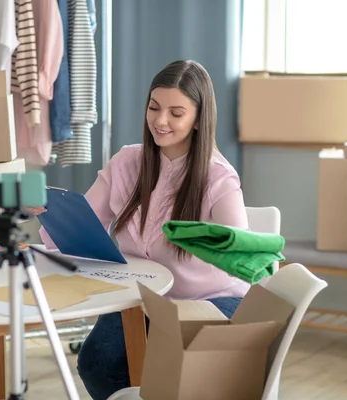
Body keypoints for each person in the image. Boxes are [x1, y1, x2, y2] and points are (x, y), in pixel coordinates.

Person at [30, 60, 250, 400]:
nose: (160, 121)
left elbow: (240, 255)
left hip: (210, 298)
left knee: (173, 374)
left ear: (197, 119)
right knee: (97, 363)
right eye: (154, 108)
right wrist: (50, 212)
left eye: (176, 113)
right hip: (142, 296)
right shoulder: (126, 162)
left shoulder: (219, 177)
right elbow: (85, 223)